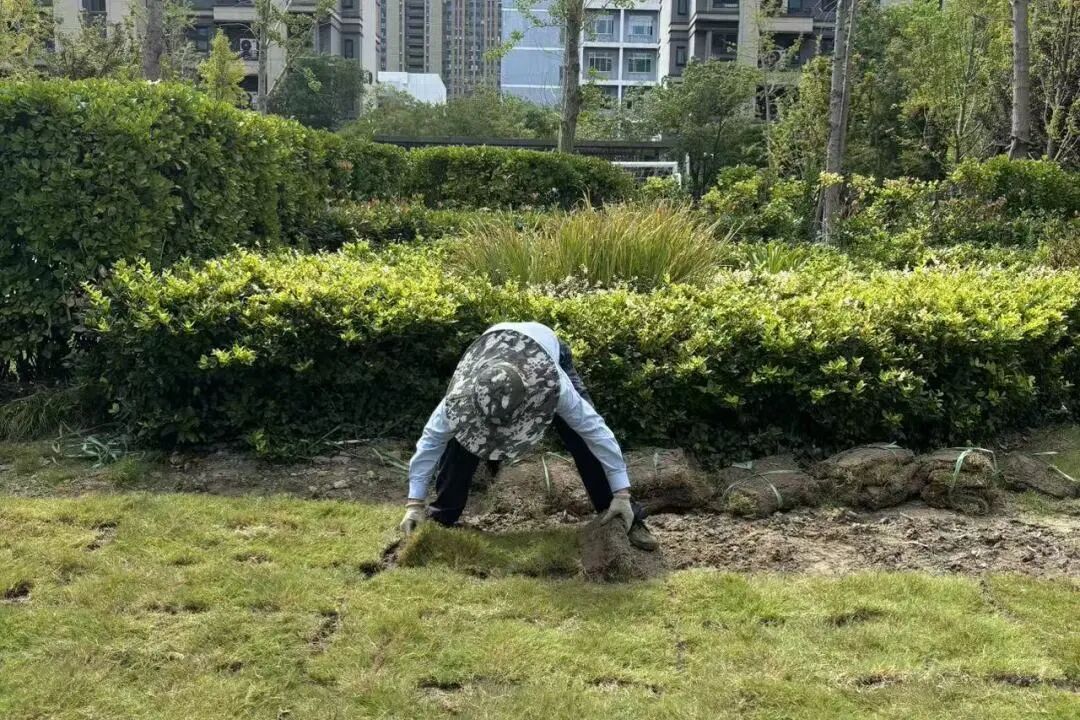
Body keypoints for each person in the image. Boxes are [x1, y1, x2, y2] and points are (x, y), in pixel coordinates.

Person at [399, 321, 658, 551]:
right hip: (491, 352)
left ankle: (623, 515)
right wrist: (414, 503)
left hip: (547, 350)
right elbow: (431, 441)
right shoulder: (463, 394)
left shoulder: (552, 384)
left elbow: (596, 431)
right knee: (462, 436)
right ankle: (441, 516)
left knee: (581, 439)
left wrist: (622, 493)